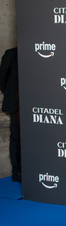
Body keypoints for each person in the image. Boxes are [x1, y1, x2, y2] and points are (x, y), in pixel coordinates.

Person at [0, 48, 20, 183]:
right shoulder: (11, 54)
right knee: (17, 137)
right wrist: (13, 97)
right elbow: (2, 80)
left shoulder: (34, 52)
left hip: (35, 104)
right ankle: (17, 172)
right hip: (17, 105)